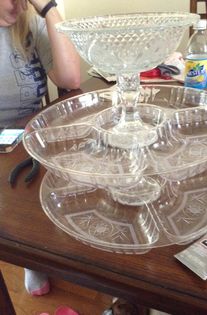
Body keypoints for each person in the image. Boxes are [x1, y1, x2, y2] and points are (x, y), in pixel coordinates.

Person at [0, 0, 81, 295]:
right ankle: (28, 253)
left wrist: (48, 9)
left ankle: (34, 246)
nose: (23, 6)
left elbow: (71, 79)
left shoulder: (29, 21)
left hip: (29, 135)